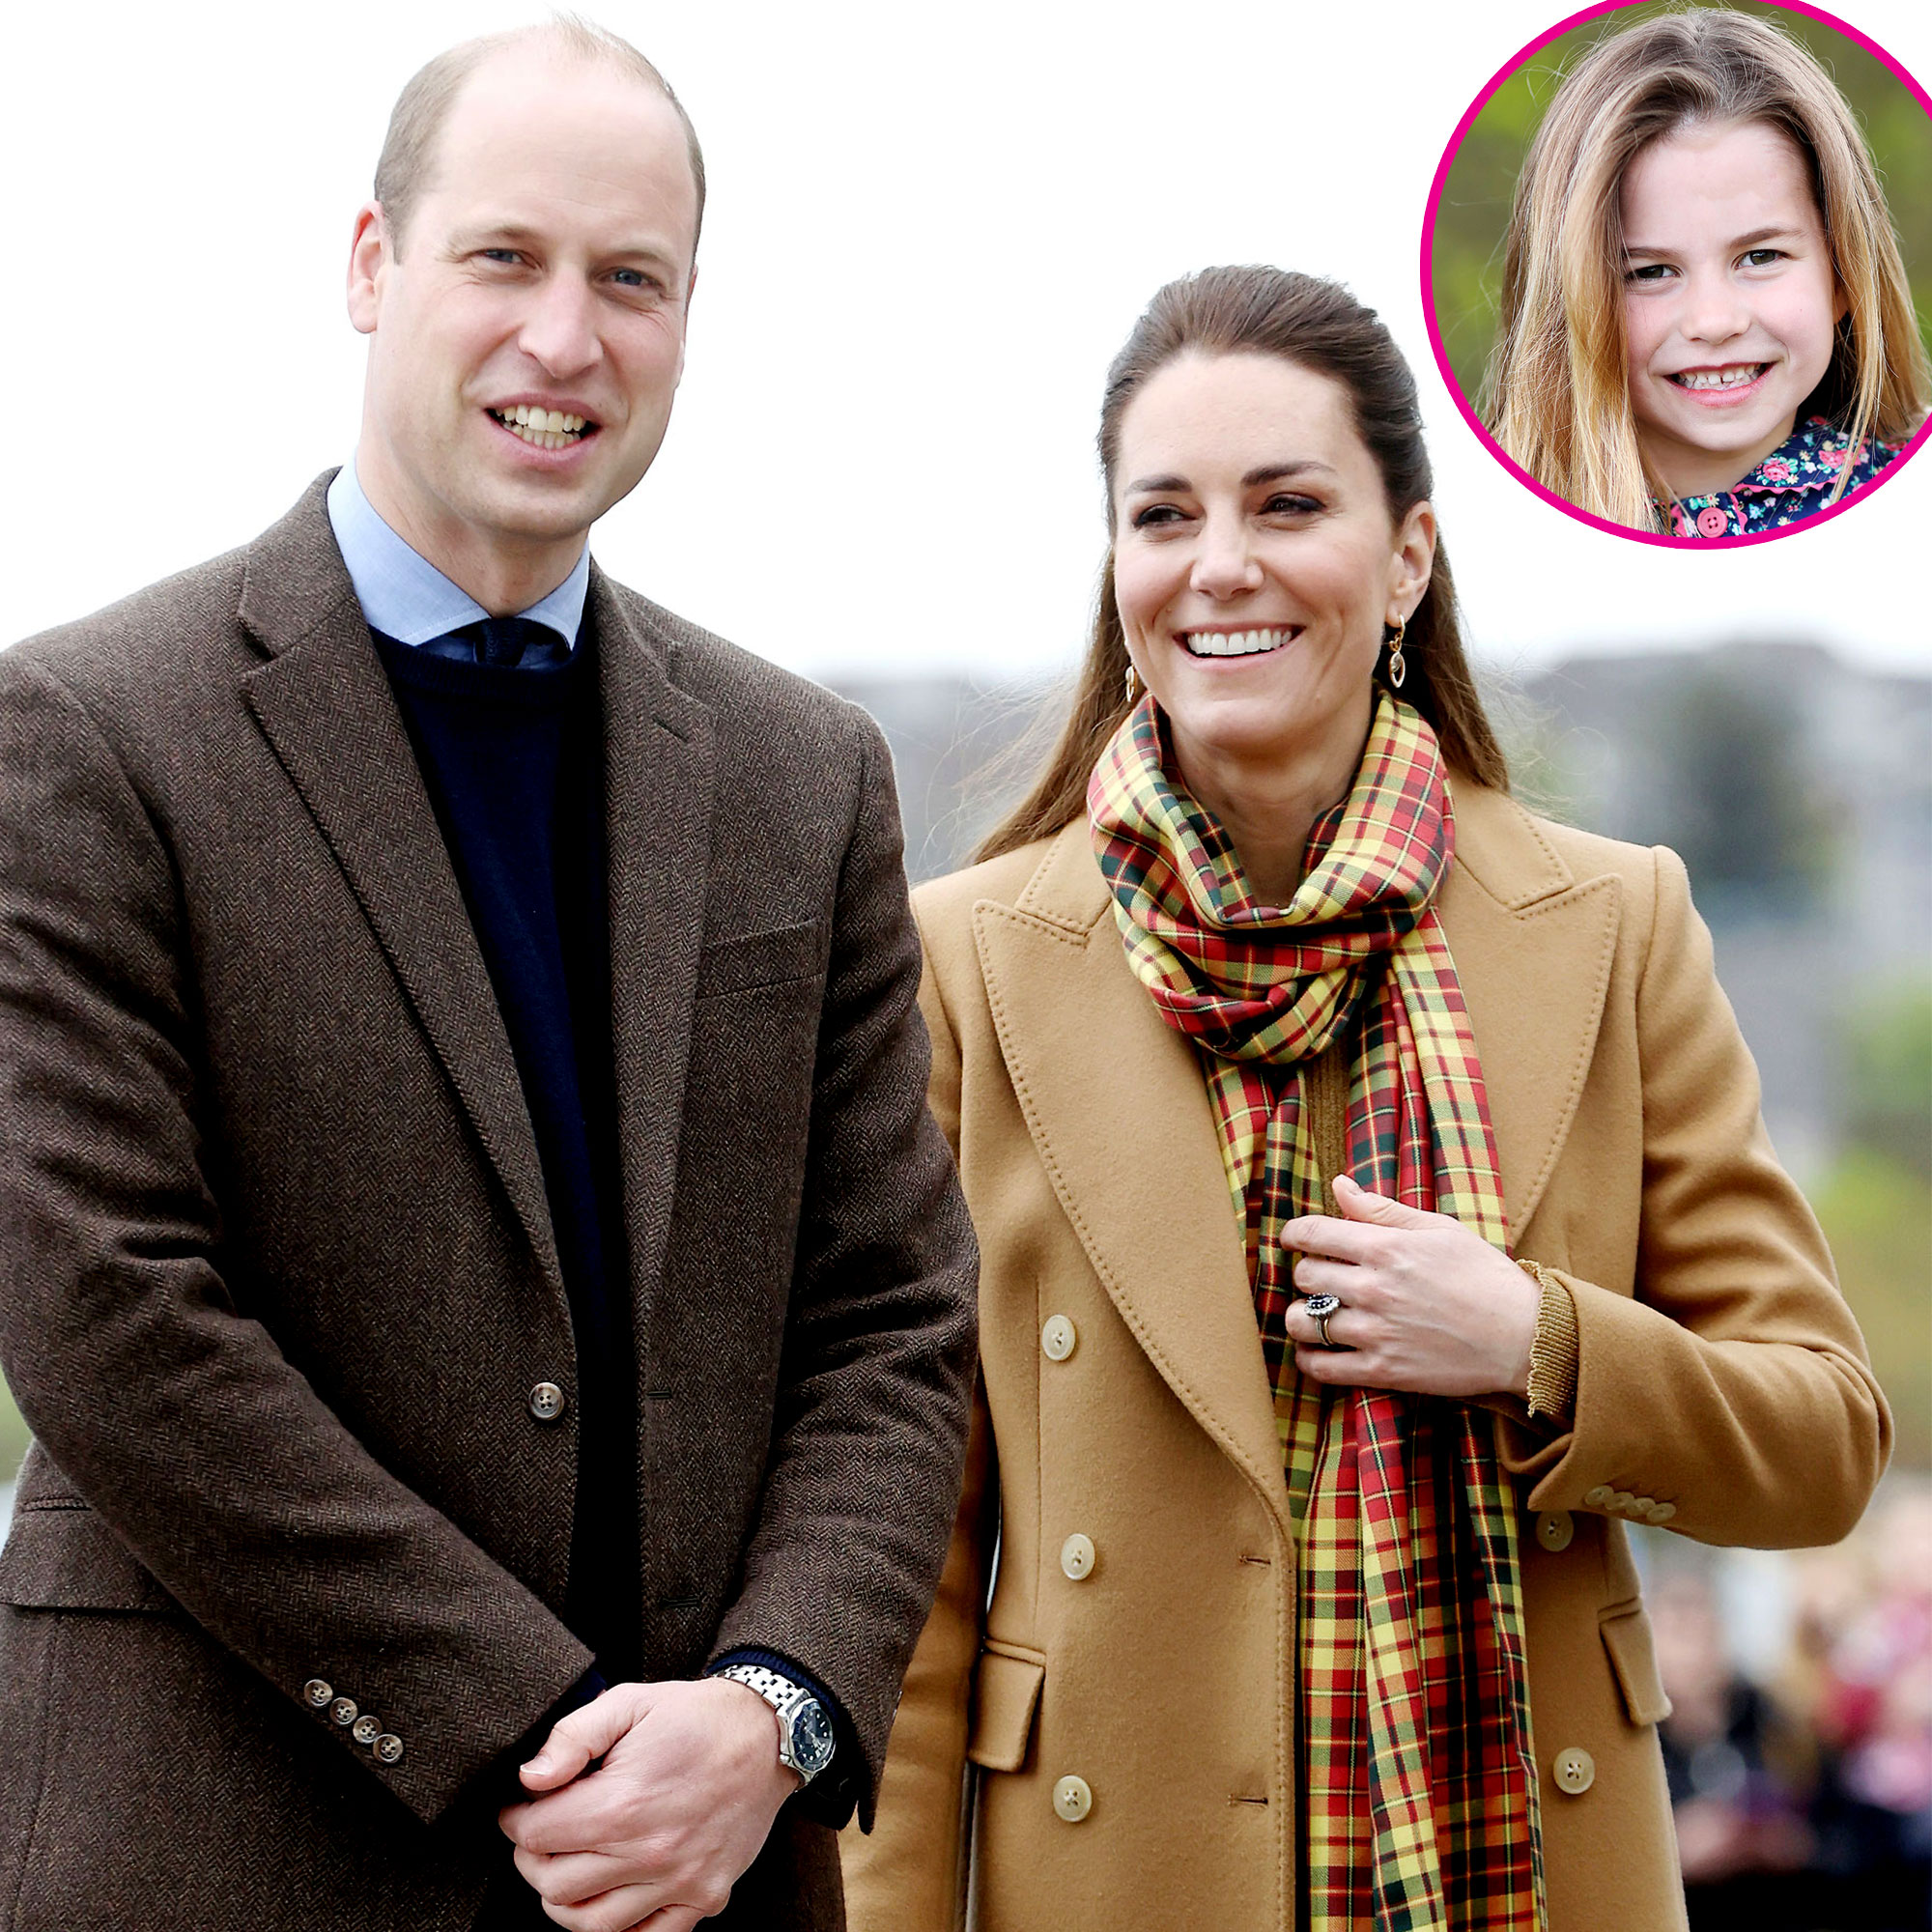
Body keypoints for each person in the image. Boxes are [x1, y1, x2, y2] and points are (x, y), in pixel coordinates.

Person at [0, 20, 976, 1932]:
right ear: (371, 266)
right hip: (235, 1855)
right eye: (503, 258)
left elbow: (887, 1321)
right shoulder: (86, 733)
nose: (565, 337)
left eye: (632, 280)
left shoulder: (804, 777)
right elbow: (109, 1314)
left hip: (709, 1875)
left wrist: (771, 1712)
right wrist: (547, 1723)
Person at [838, 266, 1890, 1931]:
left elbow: (1824, 1441)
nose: (1222, 565)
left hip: (1530, 1878)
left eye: (1288, 503)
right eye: (1164, 514)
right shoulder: (965, 964)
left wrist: (1539, 1342)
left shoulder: (1612, 928)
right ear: (1119, 568)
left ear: (1406, 556)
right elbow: (906, 1572)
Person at [1481, 8, 1928, 538]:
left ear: (1843, 277)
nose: (1714, 322)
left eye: (1761, 257)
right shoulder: (1492, 527)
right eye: (1650, 272)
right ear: (1566, 299)